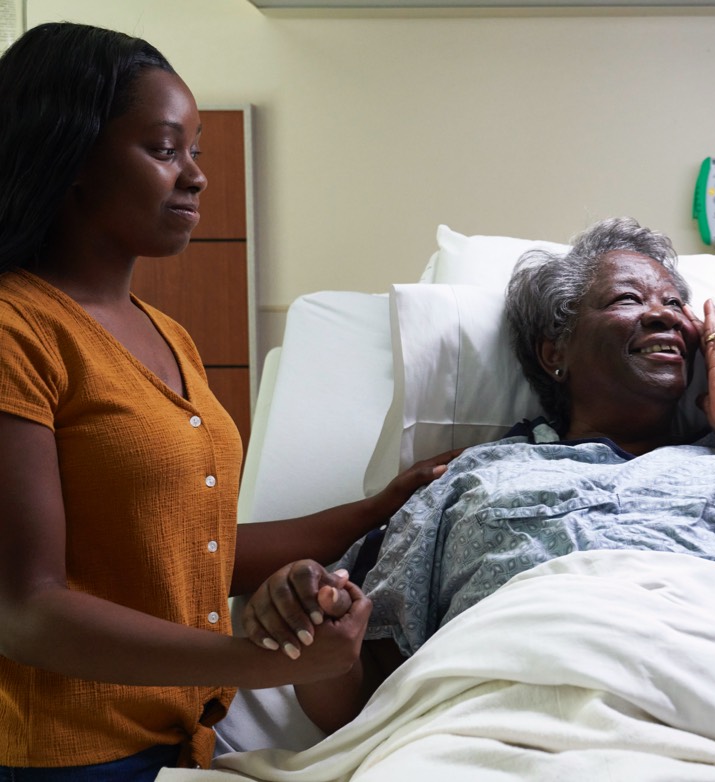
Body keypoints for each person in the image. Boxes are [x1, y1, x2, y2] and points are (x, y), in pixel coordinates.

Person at [244, 217, 715, 736]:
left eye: (675, 304)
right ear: (553, 349)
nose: (664, 317)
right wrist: (319, 637)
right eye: (629, 300)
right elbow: (358, 699)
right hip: (483, 729)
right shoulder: (473, 478)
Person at [0, 23, 453, 778]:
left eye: (196, 152)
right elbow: (27, 609)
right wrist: (251, 660)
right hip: (63, 756)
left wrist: (379, 508)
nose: (197, 177)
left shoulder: (167, 336)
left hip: (182, 745)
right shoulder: (18, 330)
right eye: (164, 149)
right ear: (69, 153)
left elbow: (191, 551)